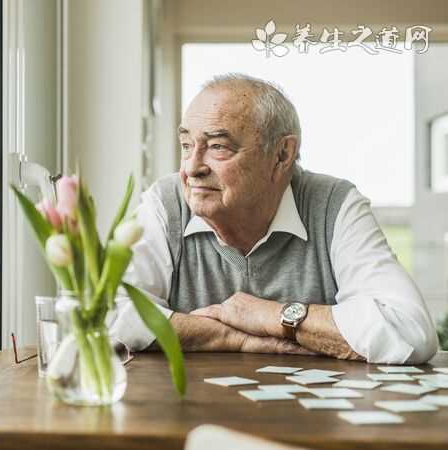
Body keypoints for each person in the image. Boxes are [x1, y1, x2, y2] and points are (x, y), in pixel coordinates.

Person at [109, 73, 437, 364]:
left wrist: (270, 315)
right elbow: (113, 315)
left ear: (282, 155)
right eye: (186, 145)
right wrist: (241, 337)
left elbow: (409, 331)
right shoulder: (165, 203)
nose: (192, 167)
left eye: (218, 146)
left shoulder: (334, 204)